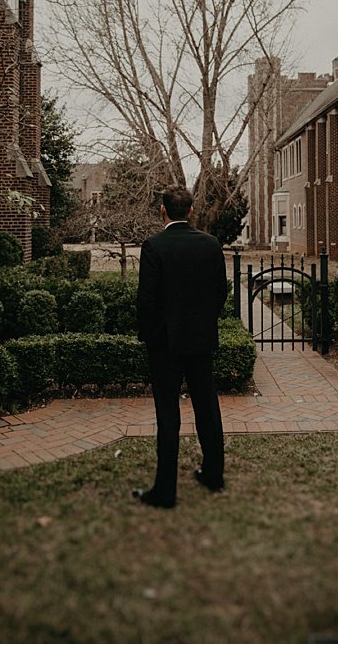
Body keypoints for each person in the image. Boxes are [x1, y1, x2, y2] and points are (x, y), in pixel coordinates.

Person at [132, 184, 229, 509]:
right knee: (208, 409)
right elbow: (221, 293)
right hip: (201, 340)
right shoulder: (211, 244)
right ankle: (214, 474)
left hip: (165, 346)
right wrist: (204, 322)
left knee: (168, 415)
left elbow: (146, 301)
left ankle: (165, 491)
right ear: (190, 210)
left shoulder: (154, 246)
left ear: (163, 211)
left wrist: (152, 336)